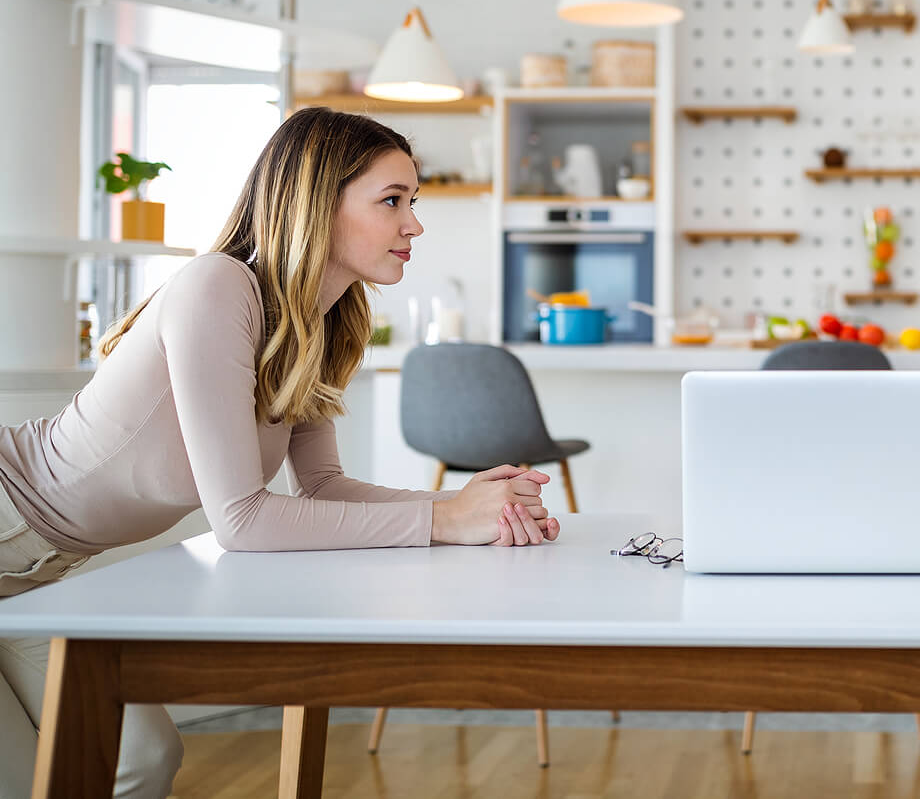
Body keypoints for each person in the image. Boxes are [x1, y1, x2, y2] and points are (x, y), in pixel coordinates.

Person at [0, 108, 559, 798]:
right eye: (392, 201)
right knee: (32, 775)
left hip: (43, 568)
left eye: (412, 202)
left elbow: (323, 487)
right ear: (316, 201)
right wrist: (447, 520)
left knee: (137, 759)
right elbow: (242, 519)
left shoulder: (320, 326)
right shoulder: (218, 285)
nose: (414, 223)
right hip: (6, 523)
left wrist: (467, 503)